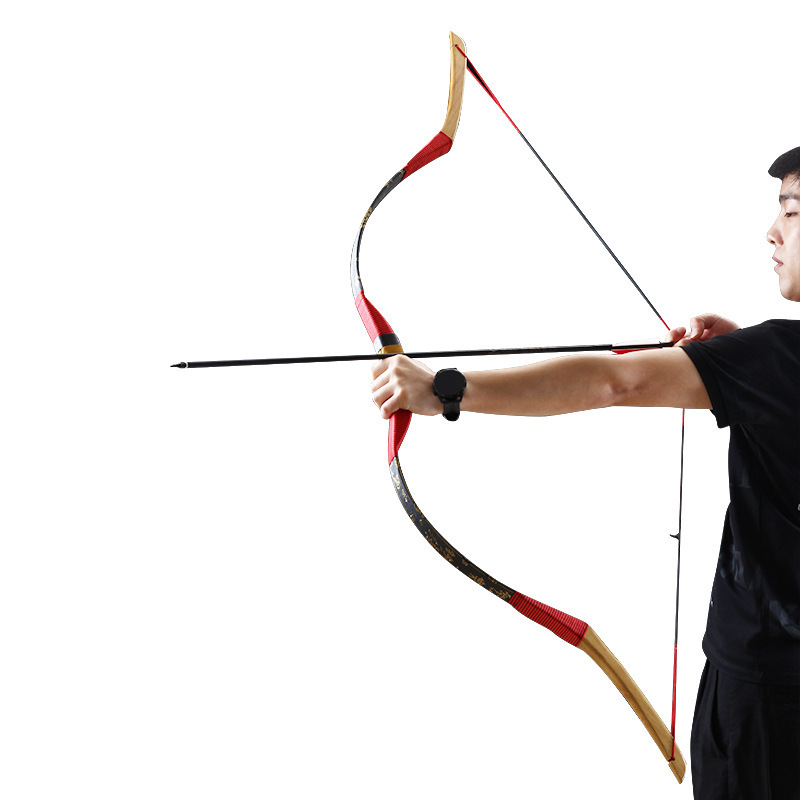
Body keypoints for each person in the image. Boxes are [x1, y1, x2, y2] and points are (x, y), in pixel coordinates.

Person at [370, 146, 800, 799]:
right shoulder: (771, 363)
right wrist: (734, 367)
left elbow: (614, 381)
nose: (771, 231)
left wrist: (444, 390)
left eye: (791, 212)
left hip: (765, 706)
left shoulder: (775, 360)